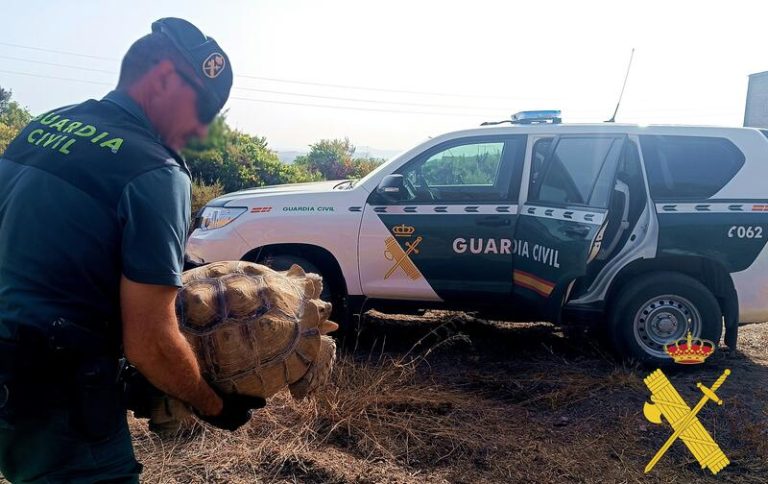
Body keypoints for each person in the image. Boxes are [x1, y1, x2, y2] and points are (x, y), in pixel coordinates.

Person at [0, 18, 265, 483]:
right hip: (55, 399)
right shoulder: (156, 171)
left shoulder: (44, 126)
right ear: (162, 78)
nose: (202, 129)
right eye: (202, 109)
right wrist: (215, 405)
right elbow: (150, 344)